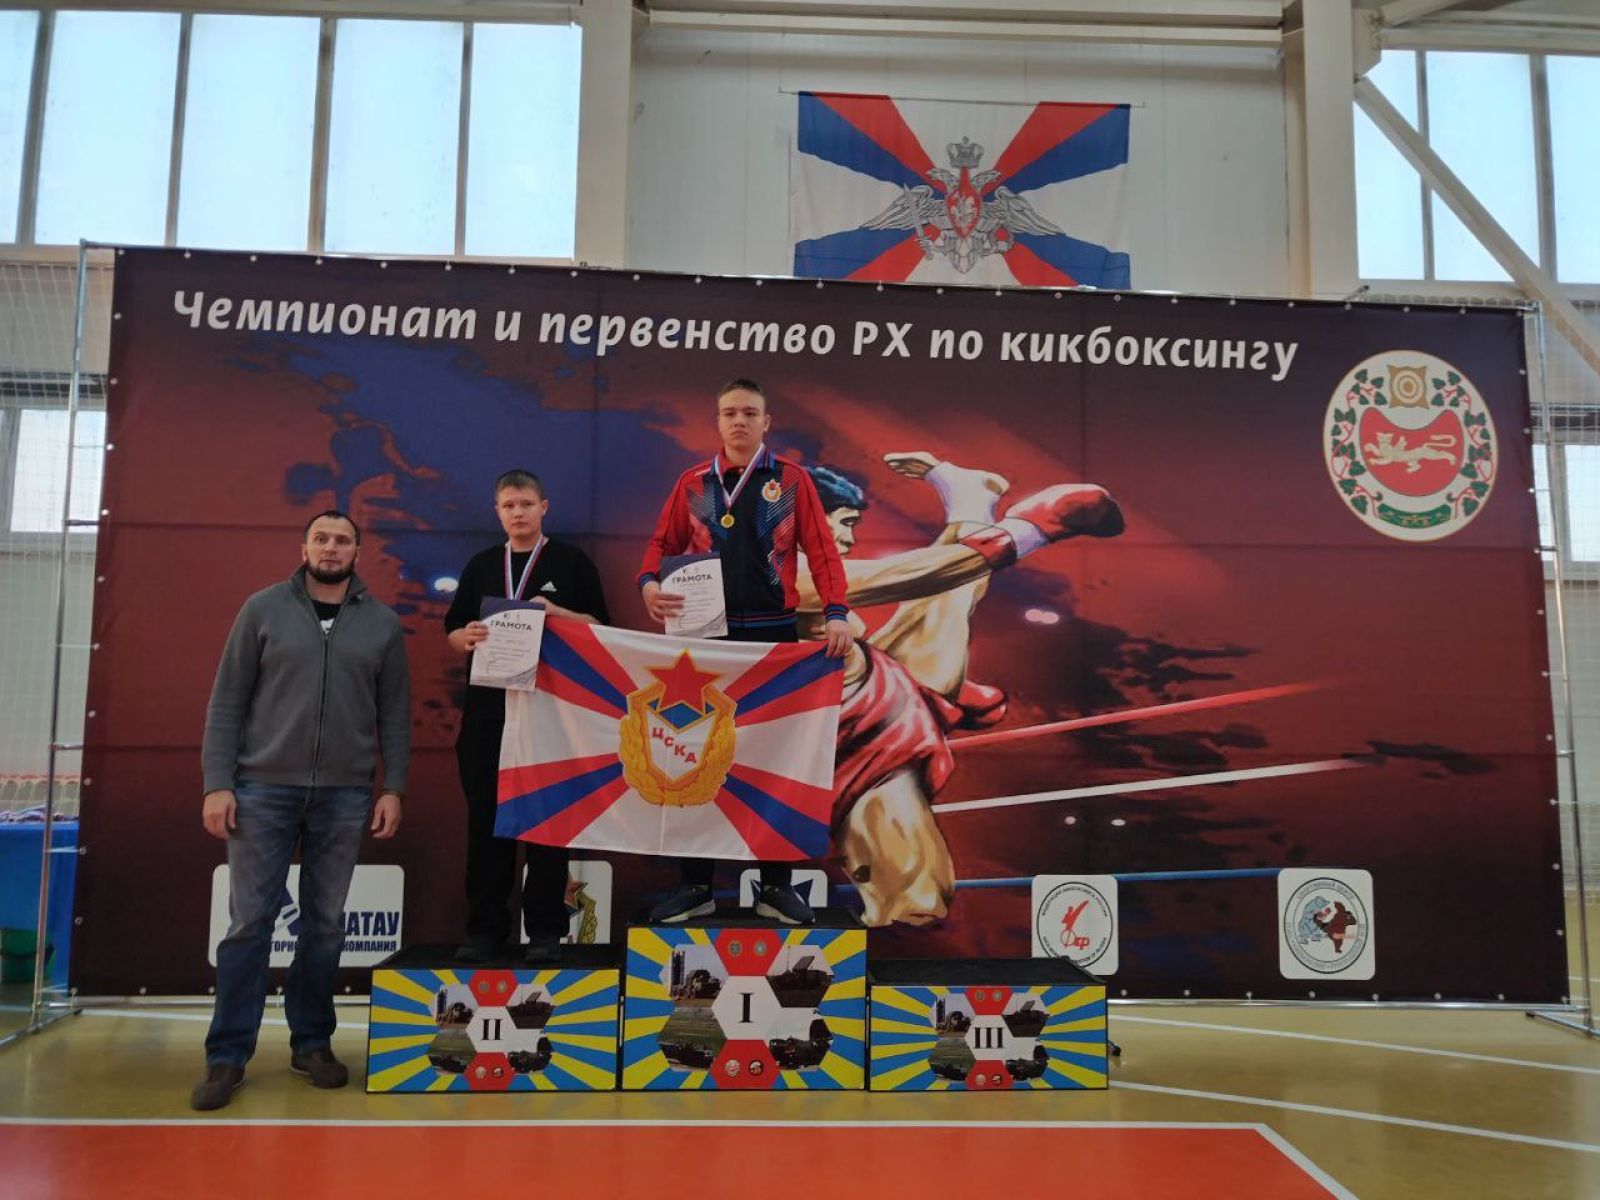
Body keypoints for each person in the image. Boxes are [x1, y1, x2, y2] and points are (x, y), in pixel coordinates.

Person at [794, 453, 1126, 927]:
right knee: (940, 592)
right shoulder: (781, 574)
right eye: (843, 523)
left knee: (915, 899)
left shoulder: (782, 574)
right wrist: (1032, 530)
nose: (848, 540)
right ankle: (972, 500)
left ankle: (971, 499)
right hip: (821, 741)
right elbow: (922, 572)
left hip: (867, 730)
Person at [192, 510, 410, 1111]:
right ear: (304, 547)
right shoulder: (262, 610)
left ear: (357, 552)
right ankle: (227, 1055)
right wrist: (217, 783)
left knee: (326, 925)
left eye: (342, 540)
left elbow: (394, 714)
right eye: (321, 538)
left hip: (345, 795)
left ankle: (312, 1043)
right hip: (261, 790)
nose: (331, 548)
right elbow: (226, 702)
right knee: (249, 925)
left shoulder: (383, 625)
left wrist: (393, 788)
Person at [638, 378, 852, 926]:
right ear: (717, 421)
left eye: (749, 413)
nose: (739, 421)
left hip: (771, 638)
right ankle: (695, 885)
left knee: (774, 760)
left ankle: (775, 886)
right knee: (691, 753)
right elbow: (660, 546)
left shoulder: (792, 480)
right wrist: (648, 585)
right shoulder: (693, 482)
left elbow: (822, 552)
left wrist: (836, 611)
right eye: (730, 412)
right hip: (703, 641)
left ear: (765, 422)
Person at [445, 469, 611, 964]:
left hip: (549, 714)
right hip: (487, 716)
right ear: (497, 512)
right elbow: (453, 630)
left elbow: (601, 628)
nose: (517, 513)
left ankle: (545, 930)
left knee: (547, 826)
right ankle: (485, 930)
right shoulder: (480, 565)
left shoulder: (571, 563)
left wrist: (559, 614)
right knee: (486, 826)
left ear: (544, 507)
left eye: (525, 504)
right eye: (508, 506)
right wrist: (466, 637)